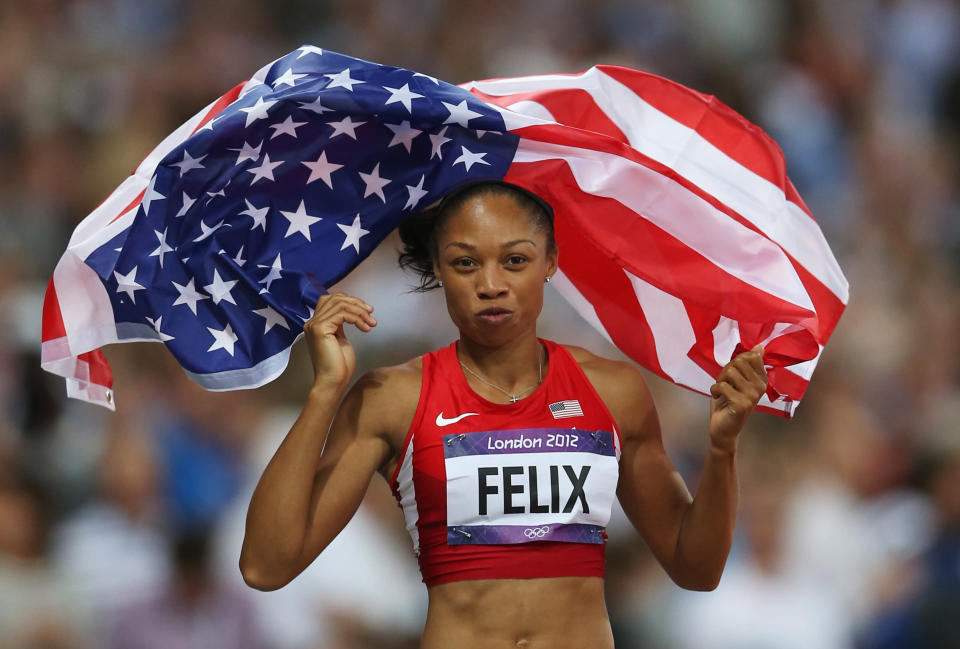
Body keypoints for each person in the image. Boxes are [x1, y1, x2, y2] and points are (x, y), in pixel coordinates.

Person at [239, 180, 769, 649]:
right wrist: (325, 391)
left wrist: (722, 451)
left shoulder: (613, 391)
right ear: (439, 270)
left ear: (551, 261)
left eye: (514, 260)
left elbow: (696, 569)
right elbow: (265, 566)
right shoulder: (393, 398)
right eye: (465, 262)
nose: (491, 284)